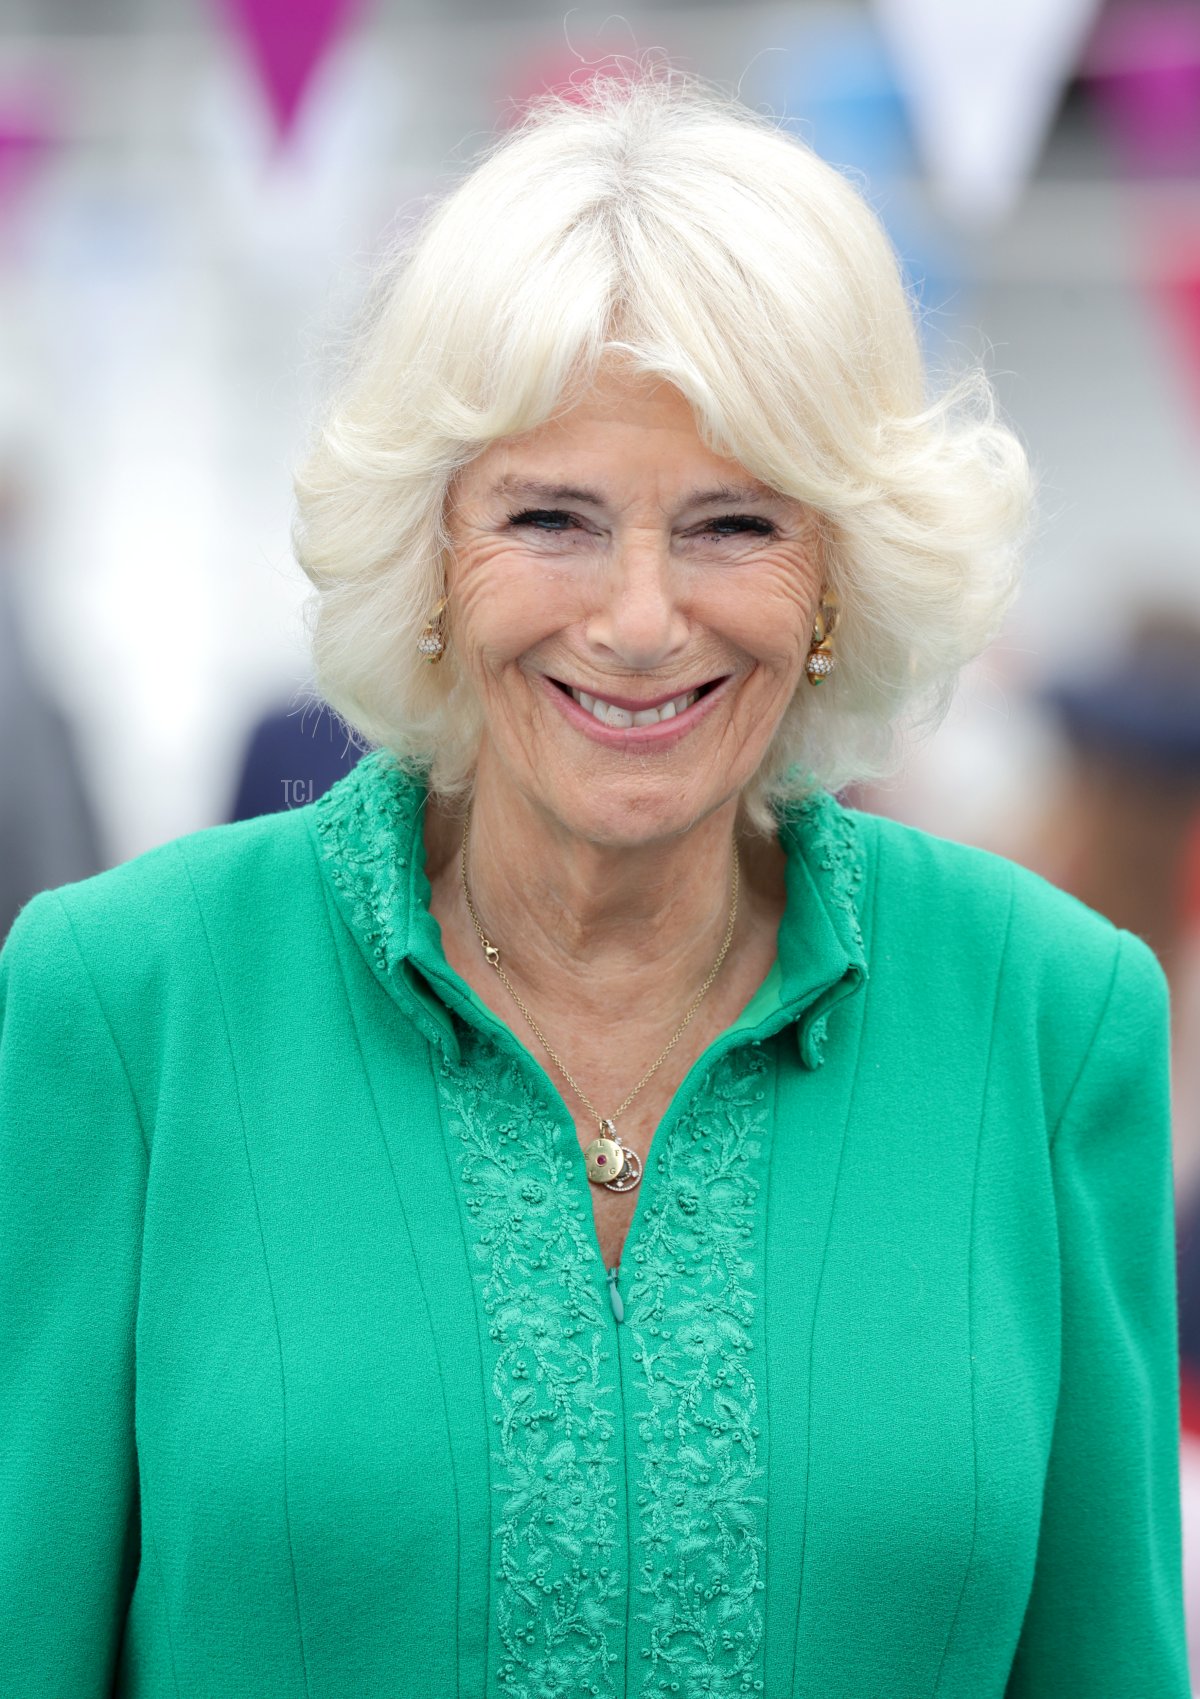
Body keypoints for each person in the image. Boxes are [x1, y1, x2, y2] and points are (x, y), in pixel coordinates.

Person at [0, 75, 1188, 1697]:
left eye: (731, 523)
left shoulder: (1054, 1016)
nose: (639, 620)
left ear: (839, 576)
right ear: (430, 558)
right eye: (550, 517)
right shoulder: (126, 1001)